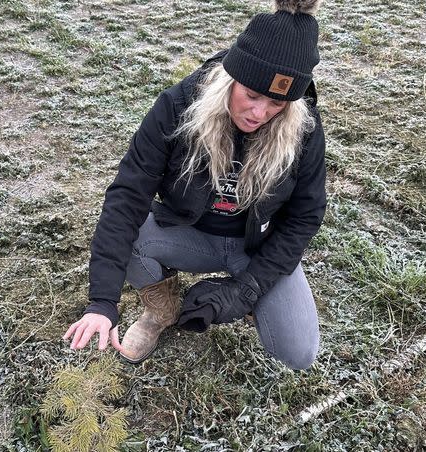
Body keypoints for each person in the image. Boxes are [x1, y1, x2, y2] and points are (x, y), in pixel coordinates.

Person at [63, 0, 326, 370]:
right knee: (135, 234)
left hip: (256, 246)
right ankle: (161, 312)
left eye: (277, 103)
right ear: (232, 78)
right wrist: (102, 302)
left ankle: (253, 301)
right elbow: (127, 196)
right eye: (251, 95)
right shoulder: (177, 106)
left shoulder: (303, 127)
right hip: (191, 233)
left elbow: (306, 215)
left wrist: (243, 290)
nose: (259, 113)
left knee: (297, 352)